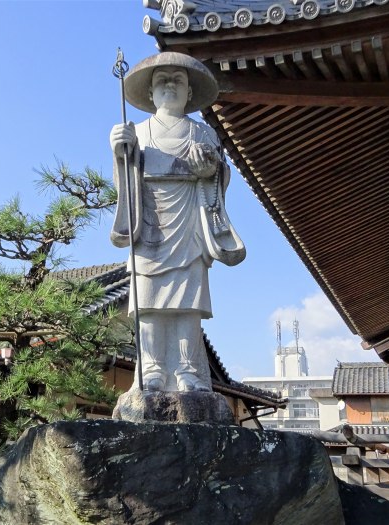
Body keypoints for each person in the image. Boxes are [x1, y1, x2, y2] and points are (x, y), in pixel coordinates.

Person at [110, 52, 245, 393]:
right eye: (162, 81)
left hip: (190, 220)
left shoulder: (203, 133)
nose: (169, 86)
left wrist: (210, 171)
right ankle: (153, 366)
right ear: (151, 93)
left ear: (189, 93)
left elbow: (220, 176)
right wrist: (121, 154)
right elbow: (123, 181)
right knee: (149, 298)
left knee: (188, 300)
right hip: (149, 219)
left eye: (178, 80)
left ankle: (187, 368)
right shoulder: (136, 131)